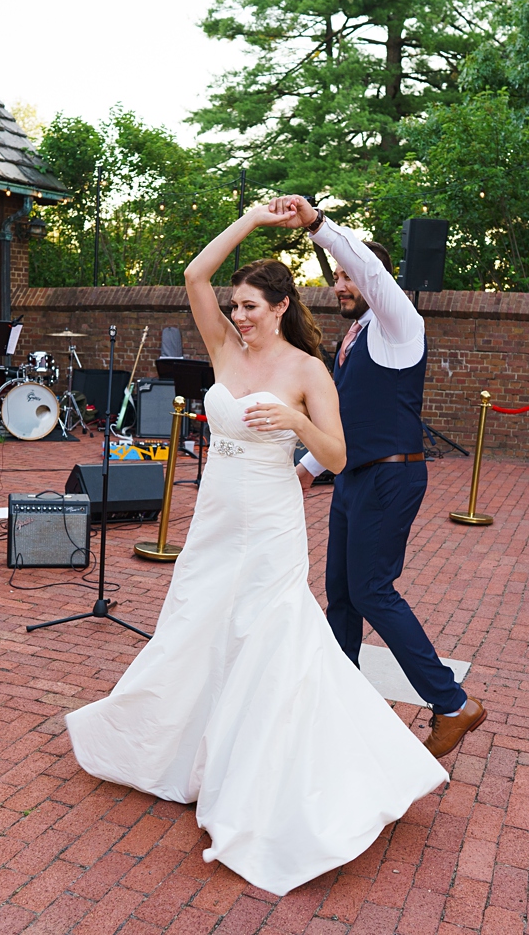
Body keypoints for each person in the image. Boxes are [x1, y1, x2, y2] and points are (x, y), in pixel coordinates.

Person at [65, 203, 447, 897]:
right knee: (197, 622)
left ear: (280, 306)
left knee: (271, 634)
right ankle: (185, 750)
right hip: (215, 515)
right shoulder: (223, 351)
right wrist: (247, 220)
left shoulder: (309, 369)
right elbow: (193, 272)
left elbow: (335, 453)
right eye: (234, 305)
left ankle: (271, 777)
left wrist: (297, 418)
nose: (238, 315)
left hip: (272, 518)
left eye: (249, 305)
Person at [286, 197, 483, 758]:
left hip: (390, 479)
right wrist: (307, 469)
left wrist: (321, 227)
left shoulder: (400, 324)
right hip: (351, 478)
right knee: (342, 596)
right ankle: (337, 699)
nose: (339, 285)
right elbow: (346, 422)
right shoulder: (352, 340)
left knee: (372, 590)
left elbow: (370, 270)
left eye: (347, 275)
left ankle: (450, 702)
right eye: (337, 277)